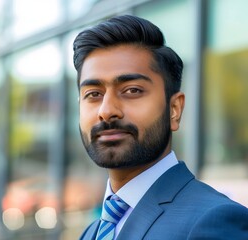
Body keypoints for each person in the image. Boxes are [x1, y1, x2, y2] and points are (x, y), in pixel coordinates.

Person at [72, 15, 248, 240]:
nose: (106, 110)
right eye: (93, 94)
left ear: (174, 109)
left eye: (132, 90)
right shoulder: (91, 232)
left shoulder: (215, 221)